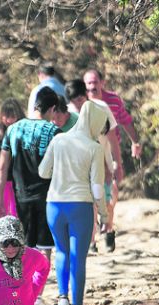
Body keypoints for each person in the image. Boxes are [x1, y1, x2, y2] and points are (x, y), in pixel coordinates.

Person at [38, 101, 109, 305]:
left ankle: (62, 299)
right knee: (78, 257)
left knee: (61, 251)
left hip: (54, 205)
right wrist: (104, 215)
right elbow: (97, 188)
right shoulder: (94, 147)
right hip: (80, 206)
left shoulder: (58, 140)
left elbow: (43, 172)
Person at [0, 86, 61, 305]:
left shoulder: (13, 130)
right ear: (52, 109)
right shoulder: (53, 132)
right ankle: (37, 295)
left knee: (22, 247)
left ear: (34, 106)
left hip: (20, 197)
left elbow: (2, 168)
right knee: (45, 250)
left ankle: (21, 293)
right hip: (47, 197)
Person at [84, 69, 144, 251]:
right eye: (88, 83)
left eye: (95, 82)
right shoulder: (81, 104)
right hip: (89, 154)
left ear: (102, 82)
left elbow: (125, 120)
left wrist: (135, 141)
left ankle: (108, 228)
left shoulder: (113, 100)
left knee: (112, 193)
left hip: (111, 151)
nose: (92, 86)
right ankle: (92, 238)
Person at [66, 79, 120, 252]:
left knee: (108, 200)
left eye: (80, 100)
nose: (77, 104)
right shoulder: (67, 114)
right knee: (89, 205)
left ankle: (109, 230)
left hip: (103, 161)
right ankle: (91, 241)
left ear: (86, 96)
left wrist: (116, 162)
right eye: (73, 101)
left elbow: (112, 136)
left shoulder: (101, 108)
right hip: (81, 168)